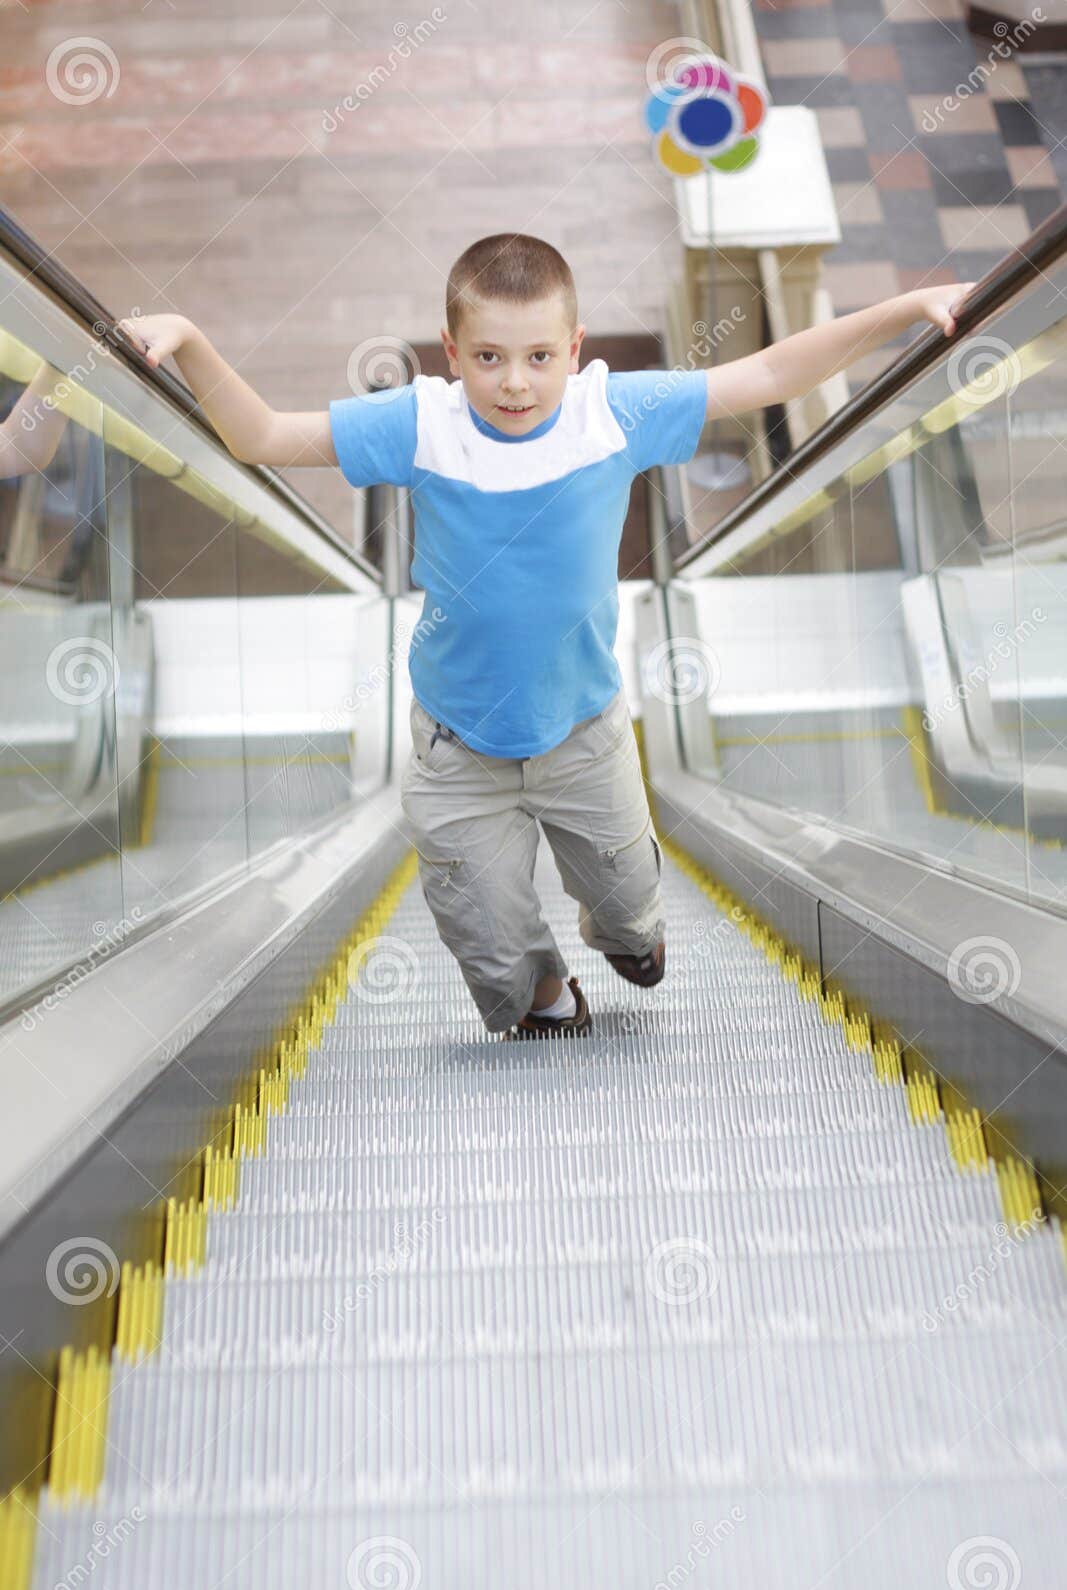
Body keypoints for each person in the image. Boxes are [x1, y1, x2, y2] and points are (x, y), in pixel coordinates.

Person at [118, 233, 972, 1041]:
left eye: (537, 357)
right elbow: (260, 436)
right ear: (450, 355)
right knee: (480, 926)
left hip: (584, 735)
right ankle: (541, 990)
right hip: (456, 749)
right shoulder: (421, 424)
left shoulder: (611, 412)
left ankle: (623, 931)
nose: (514, 382)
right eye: (487, 357)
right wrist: (187, 339)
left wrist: (901, 311)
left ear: (574, 347)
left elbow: (770, 371)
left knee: (629, 894)